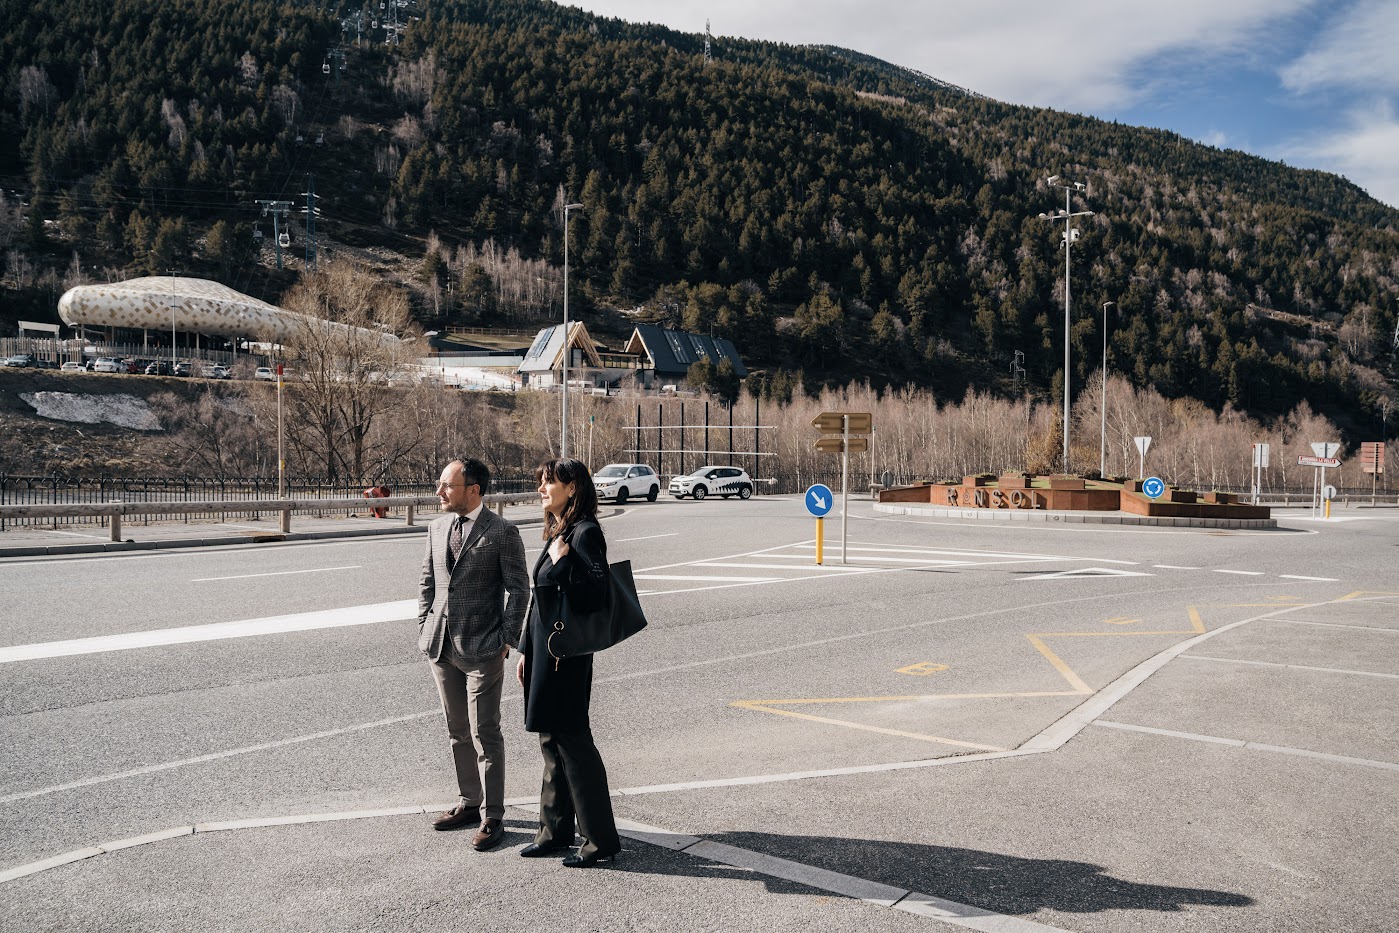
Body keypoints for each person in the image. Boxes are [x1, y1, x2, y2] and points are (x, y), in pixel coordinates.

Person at [515, 457, 622, 868]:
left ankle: (600, 840)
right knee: (551, 742)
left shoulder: (585, 532)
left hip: (567, 656)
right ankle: (554, 831)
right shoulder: (560, 530)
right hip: (545, 652)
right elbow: (538, 600)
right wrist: (526, 650)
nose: (541, 489)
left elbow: (594, 597)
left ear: (572, 487)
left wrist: (563, 562)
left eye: (549, 483)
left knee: (573, 743)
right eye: (541, 482)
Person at [418, 457, 529, 851]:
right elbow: (428, 583)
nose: (439, 491)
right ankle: (469, 802)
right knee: (457, 730)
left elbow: (520, 589)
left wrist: (506, 639)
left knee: (486, 732)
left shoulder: (502, 532)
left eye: (447, 485)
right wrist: (424, 627)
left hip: (484, 648)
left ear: (474, 490)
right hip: (441, 645)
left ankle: (493, 815)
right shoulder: (436, 527)